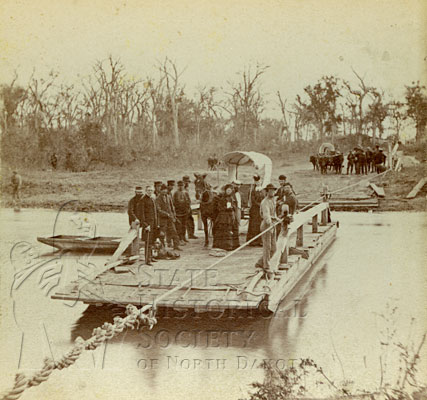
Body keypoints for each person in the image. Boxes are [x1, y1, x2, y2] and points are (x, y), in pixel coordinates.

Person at [212, 184, 238, 251]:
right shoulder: (222, 199)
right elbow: (219, 207)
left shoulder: (233, 198)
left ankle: (231, 245)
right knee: (223, 229)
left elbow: (235, 206)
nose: (228, 191)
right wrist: (226, 208)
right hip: (223, 216)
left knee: (232, 229)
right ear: (225, 191)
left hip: (231, 215)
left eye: (230, 190)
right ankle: (223, 245)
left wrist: (232, 207)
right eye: (227, 190)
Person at [260, 183, 278, 275]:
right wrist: (270, 223)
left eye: (273, 190)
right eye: (270, 190)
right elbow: (266, 216)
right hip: (267, 226)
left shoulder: (273, 201)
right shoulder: (265, 202)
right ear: (267, 191)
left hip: (273, 225)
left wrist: (276, 218)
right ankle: (266, 266)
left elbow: (272, 214)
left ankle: (261, 262)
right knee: (267, 247)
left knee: (274, 248)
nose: (272, 192)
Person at [156, 184, 181, 250]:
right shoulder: (157, 199)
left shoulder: (168, 197)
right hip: (163, 219)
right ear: (160, 190)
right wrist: (166, 214)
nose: (164, 191)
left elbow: (172, 207)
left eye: (165, 190)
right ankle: (162, 247)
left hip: (170, 218)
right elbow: (158, 210)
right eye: (162, 190)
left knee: (174, 232)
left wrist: (174, 215)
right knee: (162, 234)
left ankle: (176, 246)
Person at [140, 186, 159, 265]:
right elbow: (141, 214)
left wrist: (156, 224)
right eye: (148, 190)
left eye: (151, 190)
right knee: (147, 242)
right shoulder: (143, 200)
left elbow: (155, 213)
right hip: (148, 225)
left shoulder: (152, 199)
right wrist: (146, 225)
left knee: (152, 242)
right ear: (145, 191)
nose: (150, 191)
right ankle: (147, 260)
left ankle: (151, 257)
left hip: (153, 224)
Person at [246, 174, 263, 246]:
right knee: (254, 225)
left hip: (261, 210)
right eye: (256, 182)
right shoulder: (252, 191)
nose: (257, 183)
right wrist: (260, 205)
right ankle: (253, 241)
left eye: (258, 182)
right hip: (255, 210)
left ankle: (260, 241)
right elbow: (253, 201)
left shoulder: (263, 190)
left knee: (261, 225)